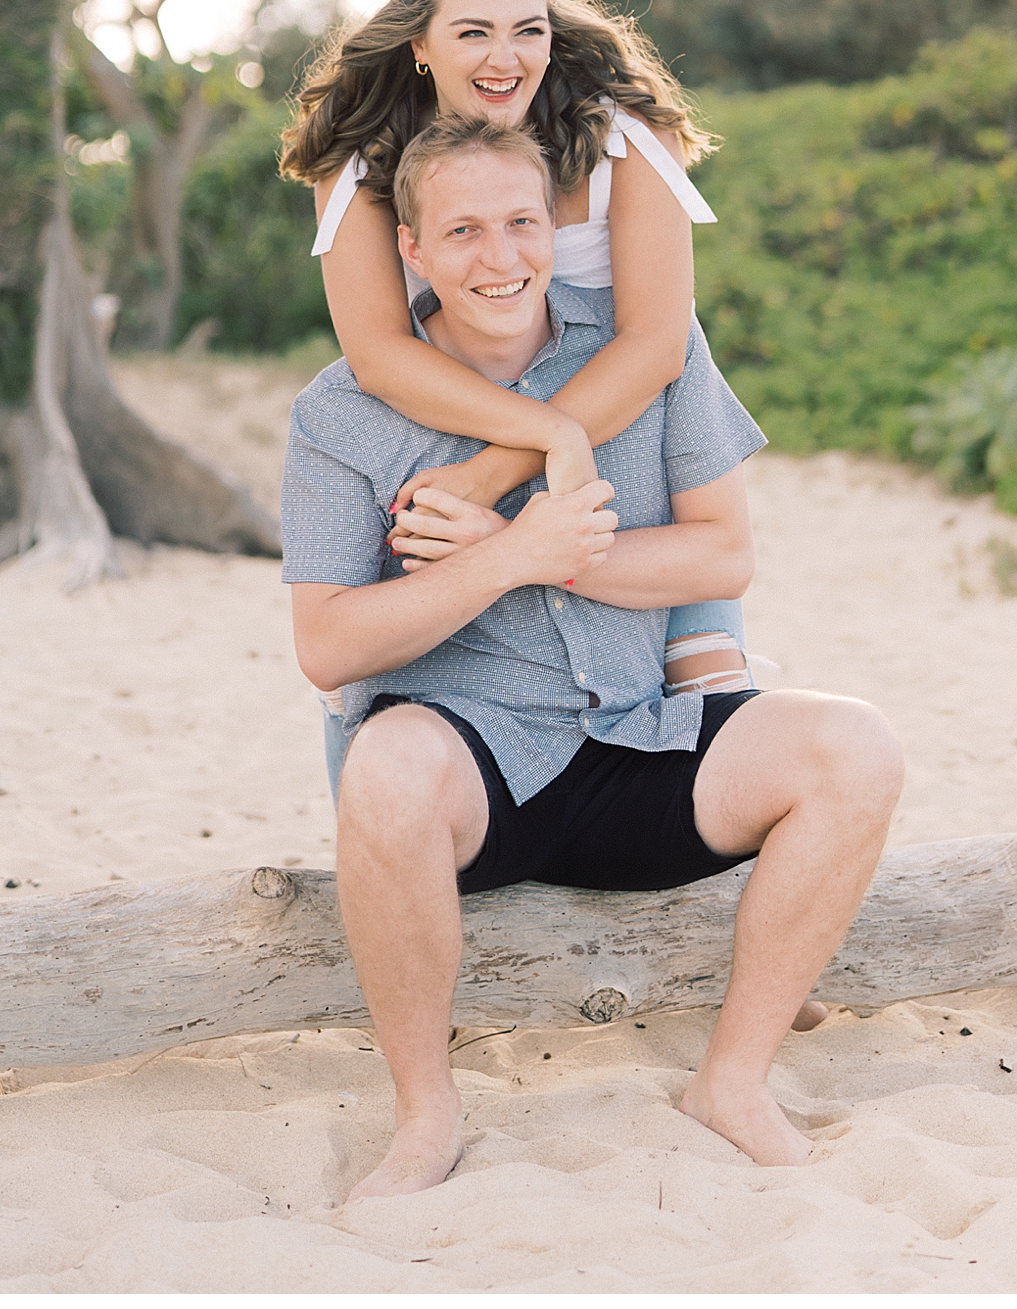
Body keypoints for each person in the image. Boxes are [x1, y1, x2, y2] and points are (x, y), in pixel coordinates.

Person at [282, 117, 905, 1199]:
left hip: (639, 738)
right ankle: (426, 1116)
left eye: (522, 223)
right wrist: (505, 556)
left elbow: (725, 552)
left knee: (853, 746)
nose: (500, 256)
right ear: (414, 251)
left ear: (556, 229)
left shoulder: (644, 358)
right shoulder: (339, 413)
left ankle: (734, 1082)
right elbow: (328, 646)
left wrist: (554, 561)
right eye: (464, 231)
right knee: (386, 767)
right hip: (473, 779)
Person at [278, 0, 749, 701]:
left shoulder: (626, 138)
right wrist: (532, 444)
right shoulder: (363, 162)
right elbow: (381, 354)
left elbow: (659, 342)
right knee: (384, 692)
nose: (505, 59)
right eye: (472, 33)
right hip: (452, 442)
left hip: (626, 463)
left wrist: (496, 475)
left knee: (707, 713)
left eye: (528, 30)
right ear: (418, 45)